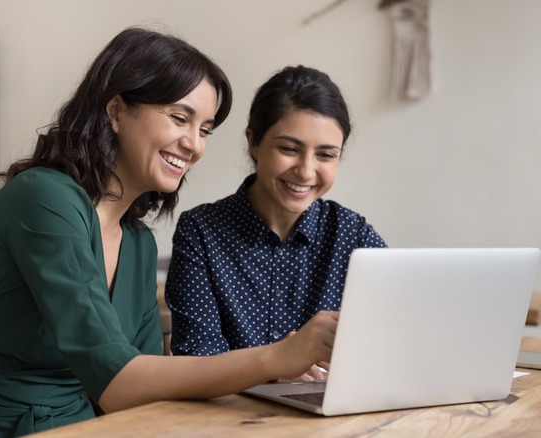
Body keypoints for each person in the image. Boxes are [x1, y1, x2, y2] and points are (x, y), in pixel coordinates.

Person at [0, 29, 337, 437]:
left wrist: (273, 369)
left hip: (86, 425)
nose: (194, 144)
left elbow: (144, 387)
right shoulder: (44, 199)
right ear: (116, 110)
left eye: (204, 129)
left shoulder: (137, 242)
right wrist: (273, 357)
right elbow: (118, 381)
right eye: (178, 118)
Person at [165, 65, 386, 379]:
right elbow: (196, 359)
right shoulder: (201, 232)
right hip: (230, 419)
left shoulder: (353, 235)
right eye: (289, 149)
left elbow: (396, 337)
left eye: (326, 155)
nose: (306, 171)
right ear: (253, 143)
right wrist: (277, 365)